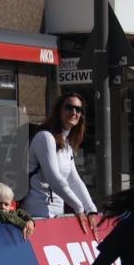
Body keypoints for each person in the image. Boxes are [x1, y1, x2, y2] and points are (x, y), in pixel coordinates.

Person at [24, 91, 99, 235]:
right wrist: (79, 208)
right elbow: (55, 180)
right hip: (37, 215)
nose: (74, 112)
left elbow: (74, 180)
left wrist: (91, 209)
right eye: (69, 107)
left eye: (78, 109)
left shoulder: (67, 145)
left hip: (57, 215)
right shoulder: (45, 137)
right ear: (59, 110)